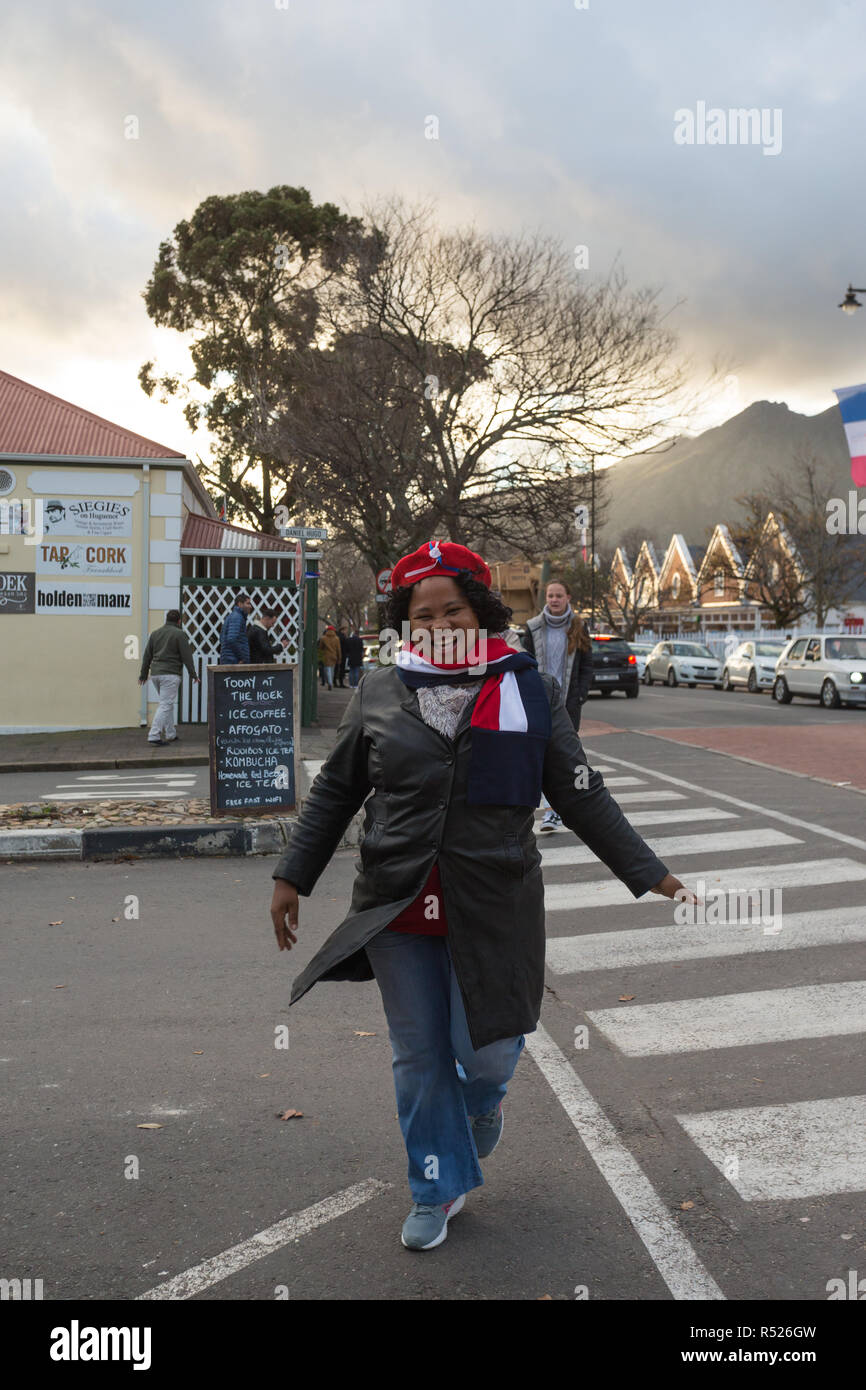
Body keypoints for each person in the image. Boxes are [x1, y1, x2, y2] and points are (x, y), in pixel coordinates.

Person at [269, 538, 692, 1252]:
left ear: (480, 609)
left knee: (488, 1048)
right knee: (418, 1054)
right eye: (421, 613)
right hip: (396, 901)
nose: (437, 623)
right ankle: (435, 1188)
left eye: (451, 608)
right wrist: (292, 875)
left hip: (494, 902)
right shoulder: (381, 687)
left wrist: (647, 868)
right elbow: (338, 790)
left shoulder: (528, 686)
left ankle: (482, 1109)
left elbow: (578, 789)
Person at [521, 578, 593, 833]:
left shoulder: (578, 627)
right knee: (540, 755)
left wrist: (581, 694)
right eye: (550, 595)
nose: (554, 600)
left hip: (568, 705)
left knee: (564, 757)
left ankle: (565, 808)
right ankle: (550, 812)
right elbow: (525, 662)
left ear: (568, 598)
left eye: (558, 595)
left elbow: (586, 666)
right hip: (538, 701)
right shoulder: (532, 627)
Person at [138, 609, 199, 744]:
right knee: (166, 704)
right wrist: (193, 674)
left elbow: (147, 655)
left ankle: (171, 733)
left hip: (155, 674)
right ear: (179, 621)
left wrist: (143, 674)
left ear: (166, 619)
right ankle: (154, 734)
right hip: (170, 674)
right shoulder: (180, 634)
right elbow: (186, 656)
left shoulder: (155, 634)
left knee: (167, 703)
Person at [219, 593, 253, 664]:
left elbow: (222, 638)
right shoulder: (237, 617)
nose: (250, 606)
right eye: (248, 603)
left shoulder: (233, 616)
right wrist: (242, 657)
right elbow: (232, 639)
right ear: (240, 604)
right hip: (234, 661)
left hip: (230, 659)